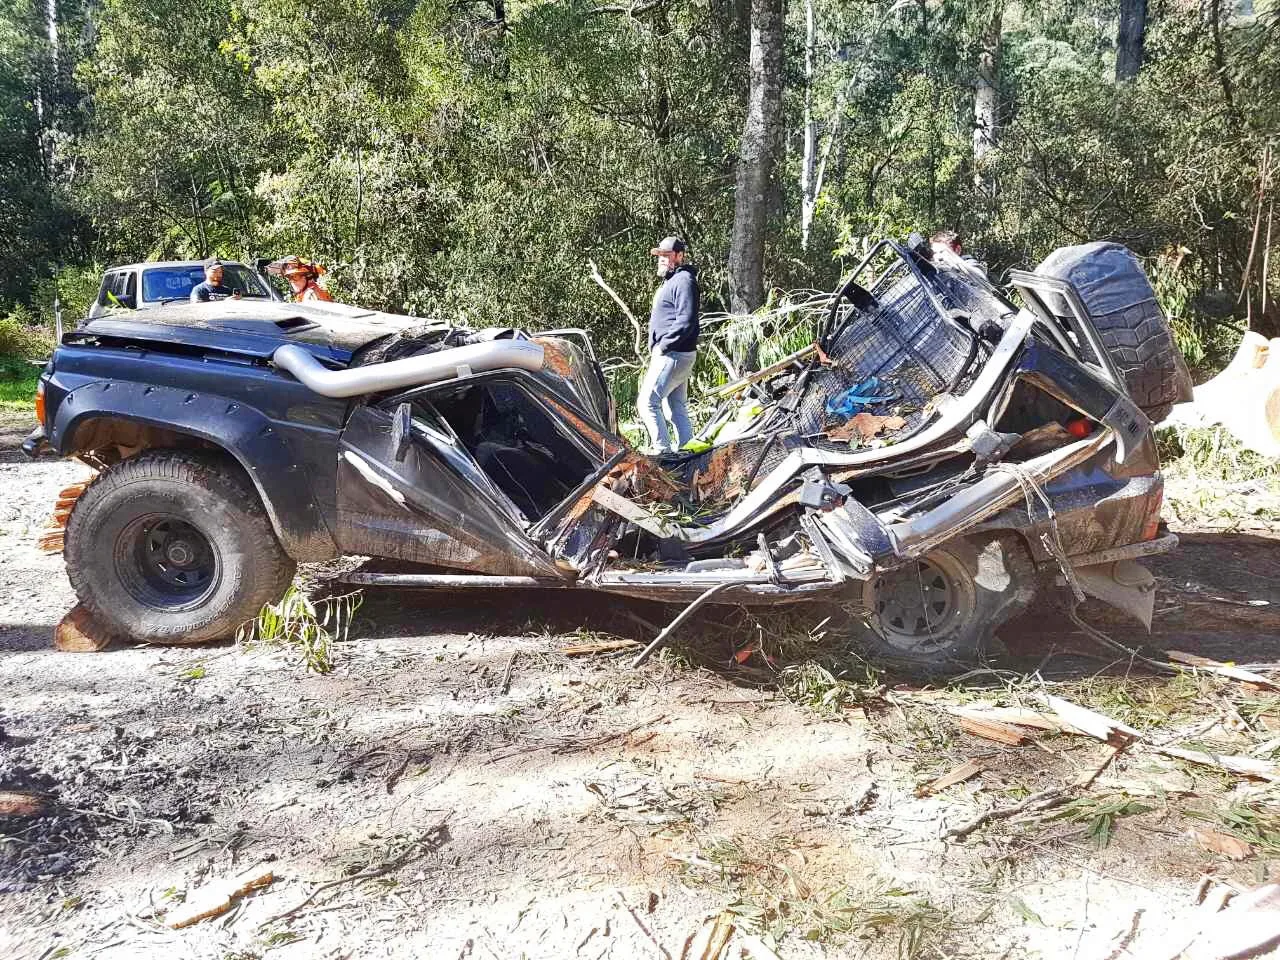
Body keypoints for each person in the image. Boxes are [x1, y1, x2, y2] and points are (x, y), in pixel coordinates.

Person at [638, 236, 699, 454]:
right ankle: (687, 450)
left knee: (647, 403)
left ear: (679, 256)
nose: (662, 260)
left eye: (666, 255)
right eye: (660, 256)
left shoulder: (684, 281)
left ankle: (662, 452)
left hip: (673, 355)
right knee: (675, 407)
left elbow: (687, 320)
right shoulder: (673, 280)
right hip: (679, 355)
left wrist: (663, 346)